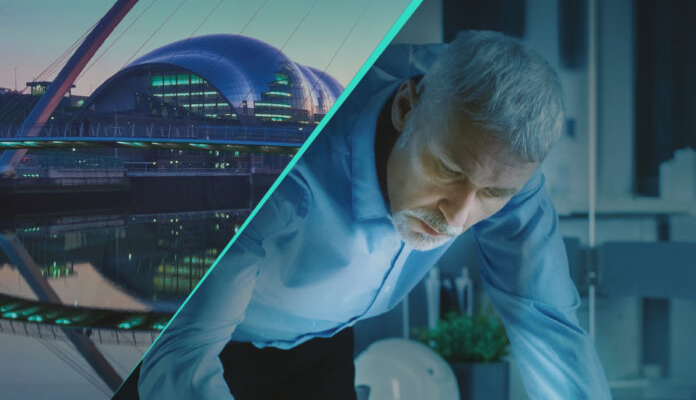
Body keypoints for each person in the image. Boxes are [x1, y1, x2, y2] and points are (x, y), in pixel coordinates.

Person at [136, 30, 612, 399]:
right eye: (447, 169)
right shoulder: (289, 159)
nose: (460, 216)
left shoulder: (499, 159)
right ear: (406, 107)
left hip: (321, 349)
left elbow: (547, 321)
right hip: (203, 335)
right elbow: (182, 355)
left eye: (492, 193)